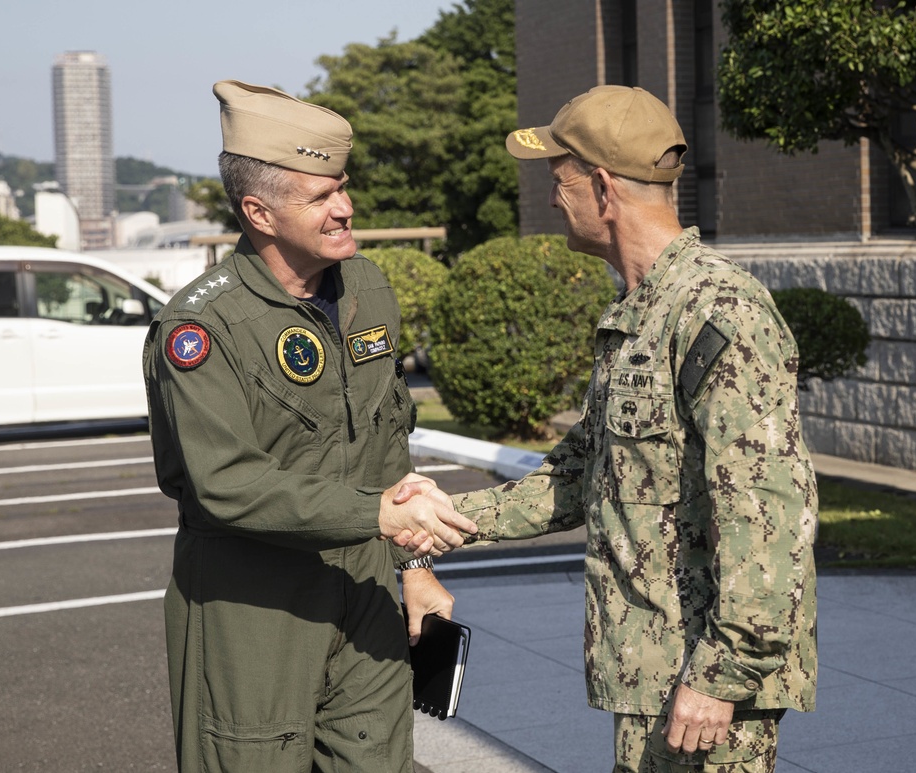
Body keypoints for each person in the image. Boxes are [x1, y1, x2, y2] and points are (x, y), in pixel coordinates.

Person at [400, 85, 818, 773]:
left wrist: (721, 676)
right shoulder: (640, 314)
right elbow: (578, 474)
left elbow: (768, 513)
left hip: (705, 688)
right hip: (653, 672)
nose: (549, 197)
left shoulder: (716, 311)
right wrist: (443, 517)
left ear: (600, 188)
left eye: (556, 179)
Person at [143, 79, 477, 773]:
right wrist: (378, 513)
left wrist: (412, 567)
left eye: (343, 188)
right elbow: (224, 483)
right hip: (253, 603)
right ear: (259, 212)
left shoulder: (367, 288)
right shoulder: (201, 326)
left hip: (363, 584)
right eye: (321, 197)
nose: (346, 208)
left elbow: (386, 436)